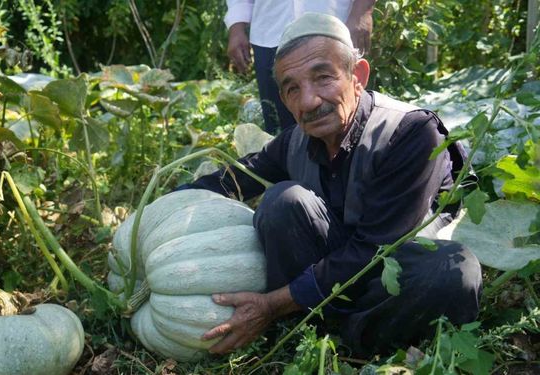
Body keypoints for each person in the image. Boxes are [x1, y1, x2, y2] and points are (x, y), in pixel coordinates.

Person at [180, 13, 482, 356]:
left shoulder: (410, 132)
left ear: (358, 77)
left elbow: (377, 249)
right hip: (331, 275)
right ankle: (316, 326)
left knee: (452, 270)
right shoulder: (295, 140)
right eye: (292, 88)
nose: (308, 101)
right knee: (283, 200)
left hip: (393, 274)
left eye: (323, 77)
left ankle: (341, 337)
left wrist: (272, 304)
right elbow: (235, 179)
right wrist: (163, 206)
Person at [225, 0, 376, 134]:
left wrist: (362, 11)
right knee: (279, 127)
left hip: (335, 28)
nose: (309, 101)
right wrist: (236, 26)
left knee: (348, 121)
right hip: (270, 32)